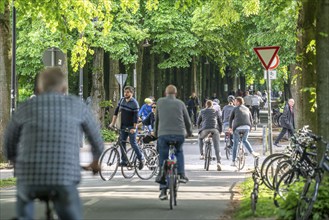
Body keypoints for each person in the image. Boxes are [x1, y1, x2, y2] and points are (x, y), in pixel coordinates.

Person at [4, 67, 104, 220]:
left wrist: (14, 160)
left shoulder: (25, 107)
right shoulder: (77, 106)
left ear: (39, 87)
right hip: (64, 176)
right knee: (71, 214)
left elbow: (9, 140)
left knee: (24, 205)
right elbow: (96, 139)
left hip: (29, 175)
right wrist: (95, 161)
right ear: (64, 87)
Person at [154, 85, 192, 200]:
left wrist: (156, 133)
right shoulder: (180, 103)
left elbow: (157, 119)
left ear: (165, 93)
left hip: (163, 135)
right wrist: (189, 132)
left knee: (163, 157)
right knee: (179, 151)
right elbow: (187, 120)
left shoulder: (160, 102)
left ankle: (163, 189)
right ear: (176, 93)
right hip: (179, 134)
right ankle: (181, 174)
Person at [109, 86, 144, 169]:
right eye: (125, 92)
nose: (126, 93)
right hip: (123, 126)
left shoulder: (134, 103)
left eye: (128, 92)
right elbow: (116, 112)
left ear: (132, 93)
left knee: (133, 143)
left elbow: (136, 117)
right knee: (121, 142)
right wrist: (112, 123)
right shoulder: (121, 100)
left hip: (132, 126)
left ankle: (141, 158)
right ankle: (124, 161)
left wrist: (134, 128)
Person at [229, 97, 260, 166]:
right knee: (244, 140)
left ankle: (233, 161)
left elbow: (230, 119)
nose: (234, 102)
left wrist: (230, 128)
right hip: (247, 127)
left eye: (235, 101)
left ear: (238, 102)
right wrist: (251, 127)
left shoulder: (235, 108)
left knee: (235, 144)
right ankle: (252, 153)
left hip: (237, 127)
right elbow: (251, 119)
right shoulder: (247, 108)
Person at [197, 100, 222, 171]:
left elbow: (198, 122)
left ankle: (202, 154)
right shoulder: (216, 111)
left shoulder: (202, 111)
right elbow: (220, 122)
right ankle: (219, 163)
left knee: (200, 138)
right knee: (217, 146)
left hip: (205, 129)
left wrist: (199, 129)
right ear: (212, 105)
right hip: (215, 129)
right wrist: (220, 131)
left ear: (206, 105)